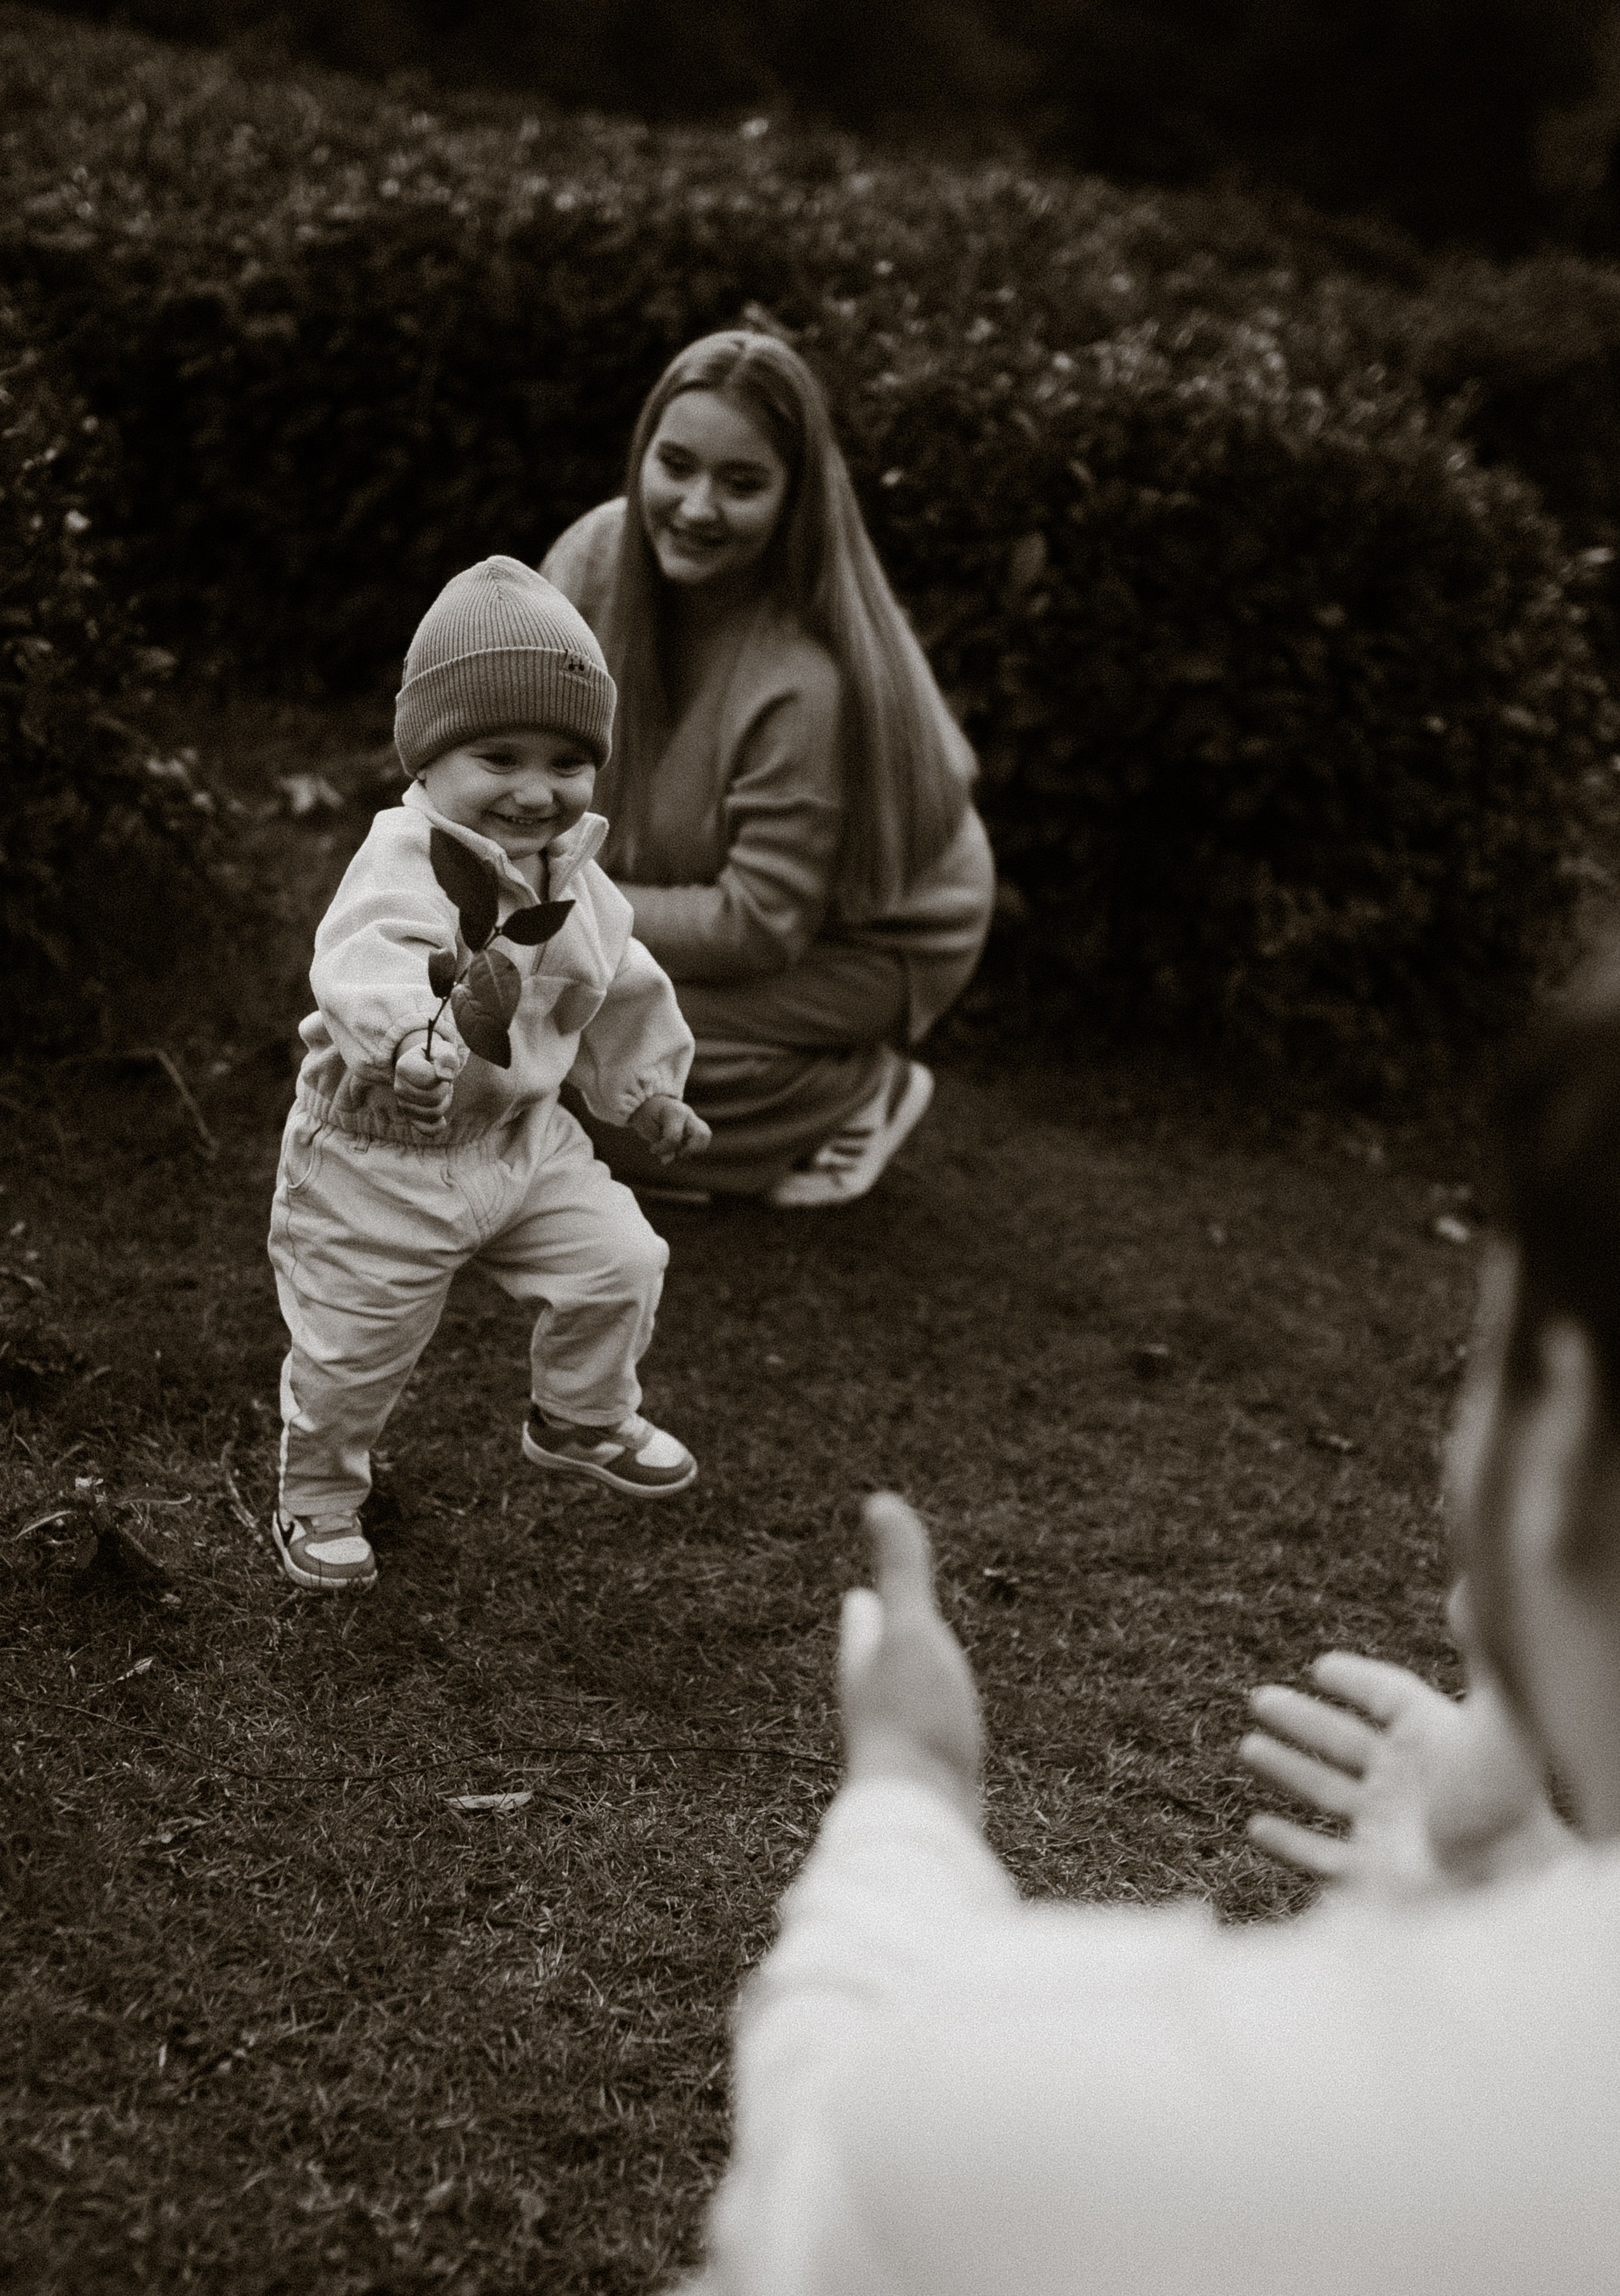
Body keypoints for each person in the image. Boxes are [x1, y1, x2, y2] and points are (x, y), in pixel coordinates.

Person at [690, 958, 1620, 2292]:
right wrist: (1526, 1883)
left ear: (1562, 1429)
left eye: (1481, 1360)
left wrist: (906, 1794)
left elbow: (826, 2173)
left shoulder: (1221, 2122)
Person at [266, 557, 710, 1593]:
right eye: (499, 756)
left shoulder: (573, 878)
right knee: (352, 1350)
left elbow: (620, 980)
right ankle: (318, 1495)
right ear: (427, 758)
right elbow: (368, 954)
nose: (537, 789)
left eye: (568, 761)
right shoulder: (406, 859)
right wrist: (405, 1043)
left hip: (521, 1140)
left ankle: (579, 1414)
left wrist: (650, 1090)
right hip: (377, 1155)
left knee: (622, 1260)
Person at [539, 328, 995, 1207]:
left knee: (576, 1039)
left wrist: (558, 906)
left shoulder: (804, 675)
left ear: (794, 500)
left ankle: (855, 1094)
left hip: (861, 937)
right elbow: (508, 721)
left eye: (742, 484)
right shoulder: (595, 556)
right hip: (697, 888)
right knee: (527, 1020)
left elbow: (757, 923)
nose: (696, 507)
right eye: (676, 465)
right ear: (643, 454)